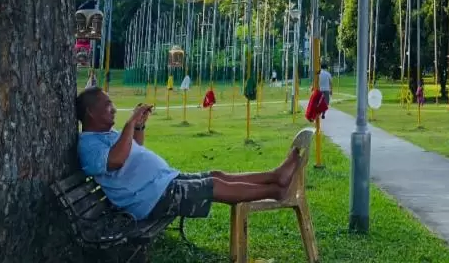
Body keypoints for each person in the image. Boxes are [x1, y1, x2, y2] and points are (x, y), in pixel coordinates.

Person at [76, 87, 300, 222]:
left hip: (161, 183)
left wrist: (139, 127)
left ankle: (275, 176)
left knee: (216, 174)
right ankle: (276, 190)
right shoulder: (88, 145)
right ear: (90, 112)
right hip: (150, 198)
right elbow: (115, 161)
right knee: (212, 185)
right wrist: (130, 122)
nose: (114, 108)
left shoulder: (106, 134)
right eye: (107, 105)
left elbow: (135, 149)